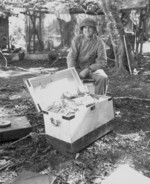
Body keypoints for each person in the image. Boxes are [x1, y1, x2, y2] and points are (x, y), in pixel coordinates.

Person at [67, 17, 108, 95]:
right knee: (67, 80)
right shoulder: (77, 40)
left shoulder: (99, 42)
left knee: (103, 78)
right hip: (77, 69)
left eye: (90, 27)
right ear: (82, 29)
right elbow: (71, 57)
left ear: (94, 29)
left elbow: (102, 62)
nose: (87, 30)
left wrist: (87, 70)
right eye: (85, 27)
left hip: (92, 70)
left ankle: (99, 100)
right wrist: (72, 71)